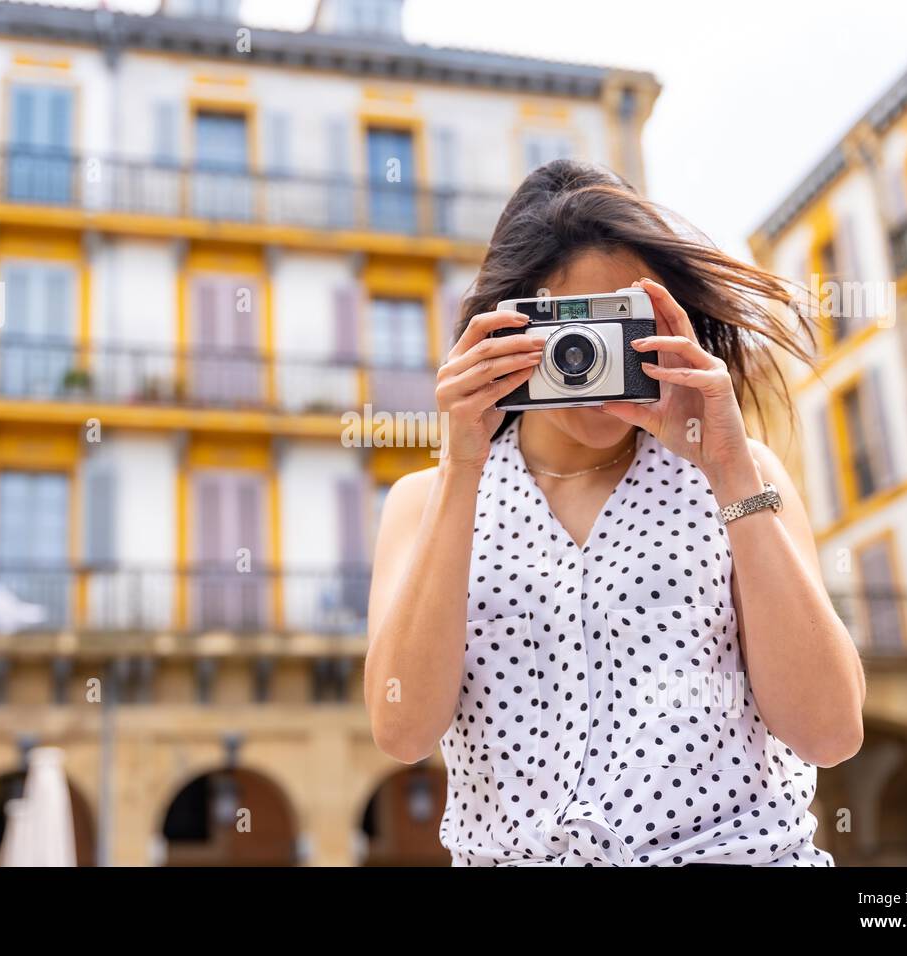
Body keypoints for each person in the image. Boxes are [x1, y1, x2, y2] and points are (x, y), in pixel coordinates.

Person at [363, 160, 864, 866]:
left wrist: (728, 467)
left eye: (623, 327)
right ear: (506, 329)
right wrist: (462, 467)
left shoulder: (740, 475)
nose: (593, 360)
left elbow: (830, 731)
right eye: (570, 332)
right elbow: (402, 728)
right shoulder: (428, 500)